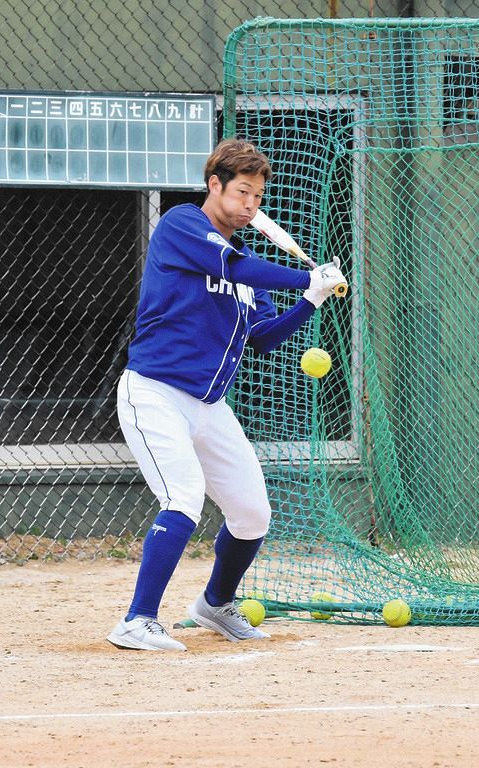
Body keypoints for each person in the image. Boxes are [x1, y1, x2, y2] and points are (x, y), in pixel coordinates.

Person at [107, 139, 347, 651]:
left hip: (208, 405)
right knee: (184, 497)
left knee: (252, 512)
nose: (250, 206)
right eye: (242, 192)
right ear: (214, 185)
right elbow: (231, 268)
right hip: (154, 393)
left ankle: (214, 603)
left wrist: (310, 298)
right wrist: (306, 274)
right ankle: (137, 619)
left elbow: (262, 339)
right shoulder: (181, 226)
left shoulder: (246, 262)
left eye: (258, 197)